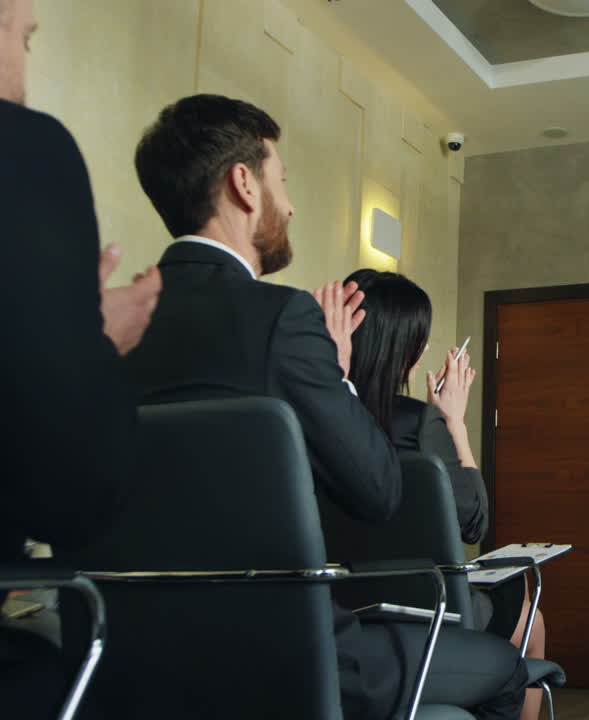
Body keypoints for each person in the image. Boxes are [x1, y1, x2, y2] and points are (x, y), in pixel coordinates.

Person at [125, 93, 526, 720]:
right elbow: (378, 492)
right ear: (244, 185)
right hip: (285, 649)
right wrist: (337, 378)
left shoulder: (107, 329)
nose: (289, 203)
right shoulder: (283, 320)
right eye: (281, 181)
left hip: (125, 652)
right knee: (507, 670)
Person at [1, 0, 161, 715]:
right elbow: (73, 496)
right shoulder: (27, 150)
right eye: (26, 37)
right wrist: (92, 342)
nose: (25, 64)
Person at [343, 268, 548, 720]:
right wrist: (453, 421)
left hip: (341, 606)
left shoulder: (317, 419)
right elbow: (474, 522)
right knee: (526, 603)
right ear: (407, 352)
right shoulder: (420, 423)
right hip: (425, 608)